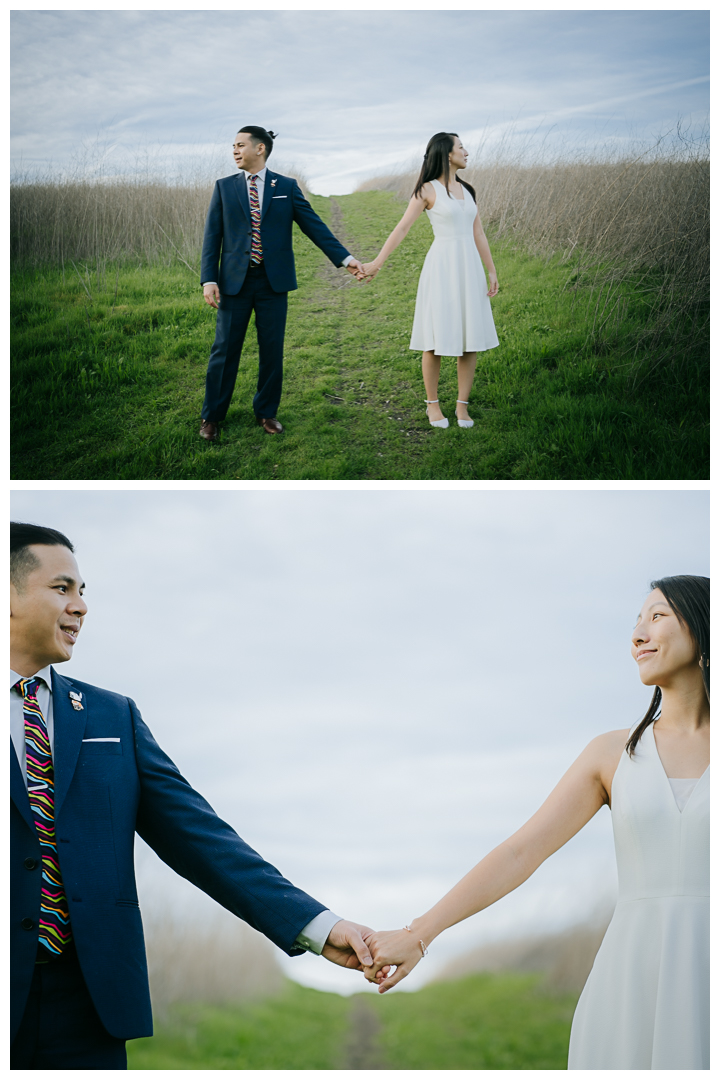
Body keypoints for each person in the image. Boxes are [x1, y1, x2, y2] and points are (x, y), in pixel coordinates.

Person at [10, 522, 377, 1069]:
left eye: (83, 592)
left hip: (90, 1003)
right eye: (62, 588)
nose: (81, 607)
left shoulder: (114, 716)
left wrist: (318, 927)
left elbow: (200, 839)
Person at [362, 576, 709, 1070]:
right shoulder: (611, 754)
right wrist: (420, 934)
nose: (637, 635)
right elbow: (521, 852)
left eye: (657, 617)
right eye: (636, 621)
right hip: (632, 976)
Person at [199, 126, 364, 440]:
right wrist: (209, 279)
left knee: (271, 350)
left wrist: (345, 259)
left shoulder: (286, 186)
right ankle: (212, 416)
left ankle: (266, 412)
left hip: (273, 283)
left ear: (260, 148)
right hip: (234, 283)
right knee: (224, 350)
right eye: (232, 146)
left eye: (240, 145)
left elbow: (313, 225)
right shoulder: (224, 187)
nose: (234, 150)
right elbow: (212, 237)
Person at [361, 133, 499, 429]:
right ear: (448, 154)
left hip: (469, 267)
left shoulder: (468, 190)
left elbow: (478, 233)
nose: (467, 152)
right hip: (442, 267)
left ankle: (462, 406)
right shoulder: (426, 190)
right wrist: (376, 263)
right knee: (434, 339)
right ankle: (432, 405)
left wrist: (491, 270)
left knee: (469, 337)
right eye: (461, 147)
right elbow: (402, 229)